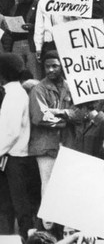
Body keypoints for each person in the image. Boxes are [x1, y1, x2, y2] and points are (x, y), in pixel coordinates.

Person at [0, 54, 37, 239]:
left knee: (20, 205)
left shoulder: (14, 95)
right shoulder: (14, 92)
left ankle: (26, 239)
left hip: (15, 157)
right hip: (11, 156)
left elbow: (11, 132)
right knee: (9, 204)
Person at [28, 50, 73, 194]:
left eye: (54, 66)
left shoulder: (70, 87)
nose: (50, 70)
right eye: (47, 67)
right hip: (45, 145)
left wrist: (56, 112)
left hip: (67, 143)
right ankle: (47, 218)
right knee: (48, 185)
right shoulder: (38, 89)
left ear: (62, 67)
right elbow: (40, 117)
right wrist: (66, 116)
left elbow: (79, 113)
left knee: (66, 184)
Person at [6, 0, 40, 79]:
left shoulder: (37, 6)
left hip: (31, 44)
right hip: (16, 44)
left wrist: (33, 27)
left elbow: (43, 26)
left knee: (34, 74)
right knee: (17, 75)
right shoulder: (14, 8)